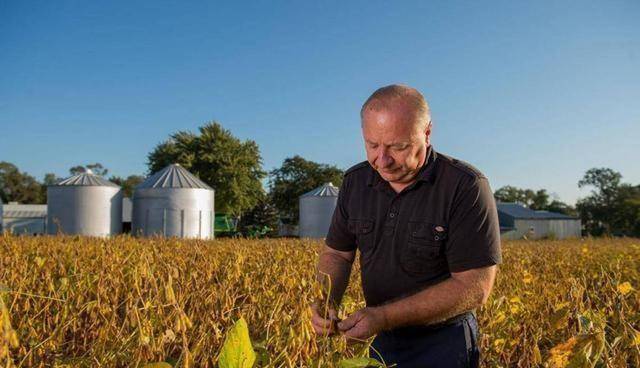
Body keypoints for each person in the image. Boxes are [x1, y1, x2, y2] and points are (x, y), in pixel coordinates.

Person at [310, 84, 502, 367]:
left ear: (427, 133)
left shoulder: (465, 186)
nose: (382, 160)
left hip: (443, 342)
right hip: (378, 337)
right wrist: (326, 300)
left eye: (398, 147)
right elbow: (337, 254)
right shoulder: (355, 182)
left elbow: (474, 285)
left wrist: (384, 317)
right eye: (372, 145)